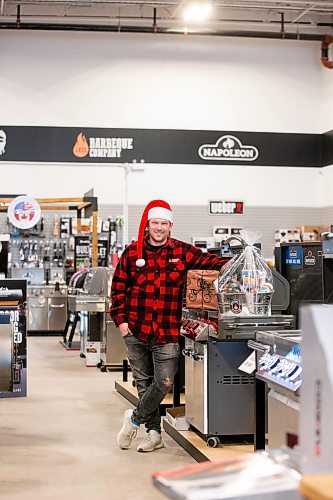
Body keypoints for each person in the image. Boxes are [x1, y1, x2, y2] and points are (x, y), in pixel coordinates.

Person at [110, 200, 227, 453]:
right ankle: (154, 435)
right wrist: (121, 323)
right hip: (136, 330)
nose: (160, 228)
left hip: (166, 331)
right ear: (148, 225)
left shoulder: (182, 252)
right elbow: (117, 291)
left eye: (164, 224)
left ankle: (133, 420)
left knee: (164, 381)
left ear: (171, 226)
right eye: (156, 223)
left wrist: (239, 262)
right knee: (143, 383)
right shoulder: (132, 253)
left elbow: (211, 262)